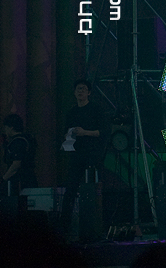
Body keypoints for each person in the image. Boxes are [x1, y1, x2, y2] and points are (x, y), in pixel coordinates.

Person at [60, 78, 108, 236]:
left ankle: (94, 226)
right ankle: (64, 228)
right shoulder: (72, 112)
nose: (80, 92)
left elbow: (103, 132)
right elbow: (66, 131)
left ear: (89, 92)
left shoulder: (96, 109)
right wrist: (69, 136)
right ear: (74, 93)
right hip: (76, 154)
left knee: (92, 188)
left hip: (92, 154)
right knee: (70, 189)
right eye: (78, 89)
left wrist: (85, 132)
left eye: (83, 89)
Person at [0, 113, 37, 201]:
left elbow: (16, 164)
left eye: (6, 128)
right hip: (29, 180)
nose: (5, 130)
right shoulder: (28, 139)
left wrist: (3, 179)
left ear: (11, 128)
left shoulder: (18, 142)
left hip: (19, 181)